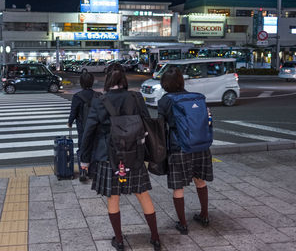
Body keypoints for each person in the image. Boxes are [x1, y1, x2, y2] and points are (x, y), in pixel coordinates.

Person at [79, 63, 161, 251]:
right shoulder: (136, 97)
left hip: (109, 157)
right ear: (123, 79)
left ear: (107, 80)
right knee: (143, 194)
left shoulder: (100, 101)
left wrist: (84, 159)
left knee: (113, 197)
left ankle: (119, 240)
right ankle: (155, 238)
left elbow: (88, 131)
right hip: (134, 154)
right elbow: (146, 122)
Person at [157, 67, 214, 235]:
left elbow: (161, 126)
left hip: (179, 147)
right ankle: (204, 215)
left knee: (178, 187)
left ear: (165, 84)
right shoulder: (196, 97)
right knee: (200, 181)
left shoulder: (165, 101)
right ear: (181, 81)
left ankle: (183, 224)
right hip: (201, 146)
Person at [67, 72, 99, 182]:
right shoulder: (98, 95)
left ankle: (83, 171)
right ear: (92, 82)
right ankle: (93, 172)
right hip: (95, 127)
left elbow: (73, 111)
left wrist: (70, 122)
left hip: (82, 127)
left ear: (81, 83)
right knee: (94, 147)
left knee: (83, 147)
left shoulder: (77, 96)